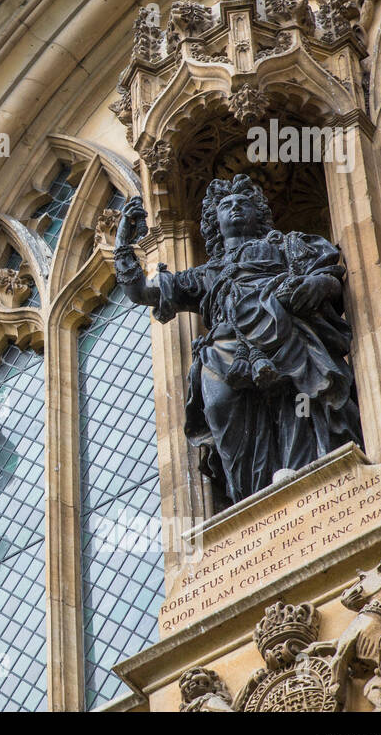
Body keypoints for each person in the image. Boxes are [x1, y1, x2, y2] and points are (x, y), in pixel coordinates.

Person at [114, 173, 362, 503]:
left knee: (297, 406)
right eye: (226, 205)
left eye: (243, 203)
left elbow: (329, 276)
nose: (234, 208)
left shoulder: (285, 245)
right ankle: (252, 499)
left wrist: (315, 286)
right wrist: (122, 244)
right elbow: (143, 293)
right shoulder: (203, 274)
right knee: (221, 410)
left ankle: (310, 484)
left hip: (284, 335)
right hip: (225, 351)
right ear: (214, 220)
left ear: (257, 213)